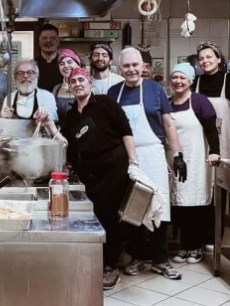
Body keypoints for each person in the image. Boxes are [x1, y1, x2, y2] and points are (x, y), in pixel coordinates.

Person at [41, 67, 138, 290]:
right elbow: (66, 141)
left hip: (113, 165)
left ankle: (110, 267)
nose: (77, 84)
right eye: (73, 81)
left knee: (109, 216)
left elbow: (126, 131)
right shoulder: (72, 112)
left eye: (81, 79)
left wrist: (133, 161)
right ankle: (98, 261)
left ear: (90, 83)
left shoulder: (106, 104)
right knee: (93, 216)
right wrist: (48, 125)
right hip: (89, 170)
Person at [107, 47, 186, 280]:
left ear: (143, 66)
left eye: (135, 65)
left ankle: (160, 259)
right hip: (126, 157)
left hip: (153, 153)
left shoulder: (155, 90)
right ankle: (137, 256)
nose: (131, 69)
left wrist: (177, 155)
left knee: (159, 206)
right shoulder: (113, 93)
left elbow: (168, 125)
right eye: (126, 66)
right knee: (133, 208)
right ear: (119, 69)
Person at [169, 63, 220, 264]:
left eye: (183, 78)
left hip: (197, 159)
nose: (178, 81)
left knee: (196, 204)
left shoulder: (200, 101)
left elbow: (211, 130)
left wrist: (215, 152)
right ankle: (183, 246)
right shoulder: (167, 102)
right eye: (175, 77)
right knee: (178, 204)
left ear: (190, 81)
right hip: (175, 160)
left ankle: (195, 247)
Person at [193, 41, 230, 247]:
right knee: (201, 185)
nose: (205, 61)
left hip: (224, 141)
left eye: (209, 57)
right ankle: (198, 234)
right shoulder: (196, 83)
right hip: (200, 141)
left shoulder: (228, 80)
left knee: (219, 187)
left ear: (218, 58)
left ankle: (214, 236)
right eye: (201, 58)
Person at [52, 48, 82, 125]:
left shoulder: (89, 87)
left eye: (70, 62)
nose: (66, 66)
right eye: (61, 64)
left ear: (78, 64)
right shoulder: (56, 89)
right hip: (59, 134)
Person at [36, 23, 62, 92]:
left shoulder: (65, 64)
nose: (48, 41)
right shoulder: (32, 65)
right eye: (44, 38)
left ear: (58, 41)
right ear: (39, 42)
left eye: (52, 38)